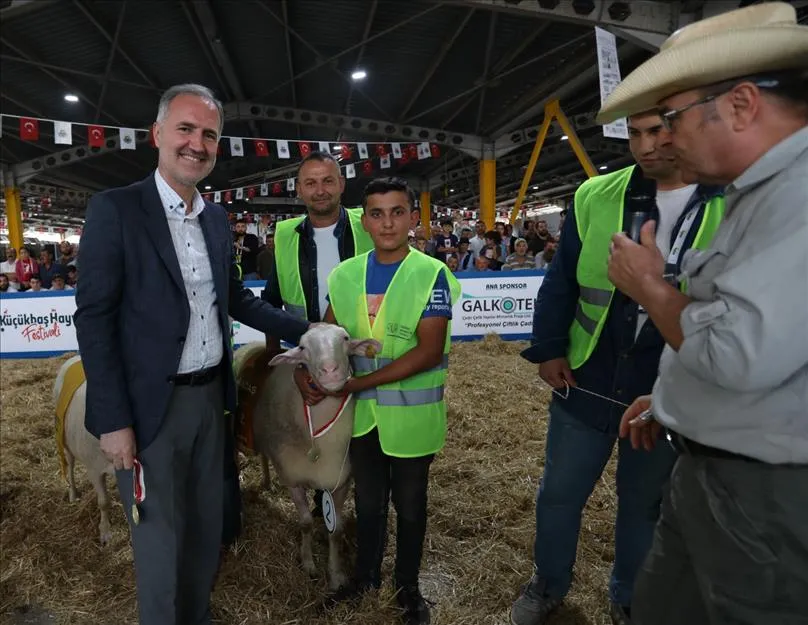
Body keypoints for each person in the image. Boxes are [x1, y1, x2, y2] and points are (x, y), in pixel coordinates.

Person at [597, 4, 808, 624]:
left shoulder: (797, 199)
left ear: (741, 105)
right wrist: (670, 400)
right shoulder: (759, 192)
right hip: (712, 475)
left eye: (671, 118)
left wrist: (651, 288)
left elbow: (735, 354)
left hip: (761, 494)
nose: (663, 139)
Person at [74, 83, 311, 625]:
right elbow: (94, 319)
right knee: (158, 537)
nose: (196, 144)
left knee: (206, 526)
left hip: (211, 399)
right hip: (149, 409)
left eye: (209, 134)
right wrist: (113, 422)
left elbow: (236, 300)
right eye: (185, 129)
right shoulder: (116, 210)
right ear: (158, 134)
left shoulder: (214, 220)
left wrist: (307, 327)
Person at [509, 108, 726, 625]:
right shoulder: (594, 195)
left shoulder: (728, 201)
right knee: (560, 493)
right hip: (587, 374)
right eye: (634, 133)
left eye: (658, 131)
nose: (646, 146)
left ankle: (630, 596)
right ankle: (548, 583)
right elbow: (561, 279)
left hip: (666, 382)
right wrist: (549, 348)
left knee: (644, 503)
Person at [323, 177, 460, 625]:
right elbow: (329, 337)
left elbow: (428, 351)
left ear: (413, 218)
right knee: (367, 504)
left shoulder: (431, 274)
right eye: (377, 214)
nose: (388, 222)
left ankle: (408, 589)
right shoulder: (344, 276)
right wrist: (314, 375)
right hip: (362, 420)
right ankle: (366, 579)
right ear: (364, 221)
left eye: (397, 211)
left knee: (411, 505)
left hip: (413, 420)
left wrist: (358, 385)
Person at [261, 150, 375, 514]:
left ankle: (359, 503)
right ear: (299, 189)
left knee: (361, 441)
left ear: (342, 184)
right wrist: (278, 362)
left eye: (328, 180)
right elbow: (272, 302)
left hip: (361, 356)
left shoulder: (368, 225)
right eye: (310, 182)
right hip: (309, 360)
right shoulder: (285, 237)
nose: (320, 190)